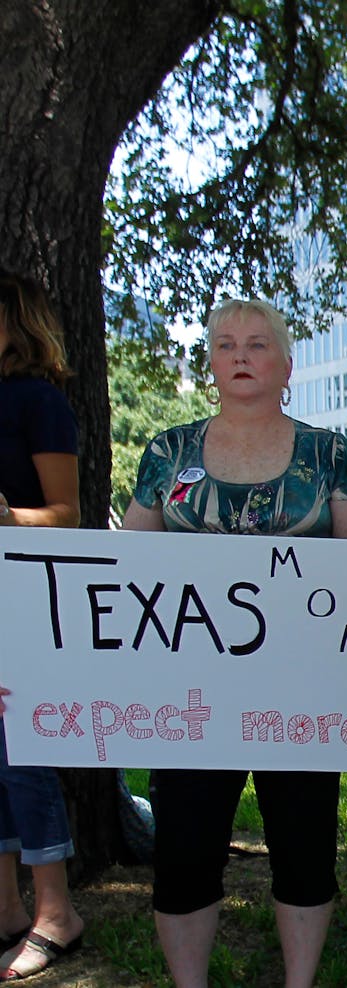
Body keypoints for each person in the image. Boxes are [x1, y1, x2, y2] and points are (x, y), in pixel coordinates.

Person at [121, 298, 347, 988]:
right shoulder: (167, 453)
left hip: (306, 693)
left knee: (305, 846)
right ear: (211, 365)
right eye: (225, 345)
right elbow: (125, 574)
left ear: (286, 366)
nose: (241, 357)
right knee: (184, 853)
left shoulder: (329, 454)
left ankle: (299, 983)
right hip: (191, 693)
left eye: (258, 345)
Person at [0, 274, 84, 981]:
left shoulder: (39, 402)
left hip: (22, 600)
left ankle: (56, 910)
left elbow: (66, 514)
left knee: (23, 755)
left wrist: (7, 518)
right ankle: (6, 908)